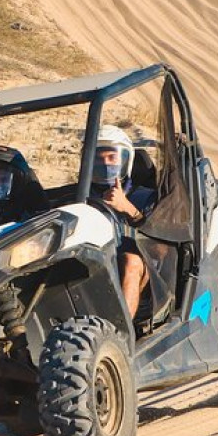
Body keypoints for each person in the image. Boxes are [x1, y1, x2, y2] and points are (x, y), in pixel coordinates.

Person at [89, 125, 157, 319]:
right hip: (95, 264)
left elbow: (161, 248)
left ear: (126, 160)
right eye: (98, 158)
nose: (106, 164)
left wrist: (128, 208)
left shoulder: (146, 197)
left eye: (112, 157)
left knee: (130, 261)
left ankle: (121, 334)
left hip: (147, 278)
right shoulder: (79, 197)